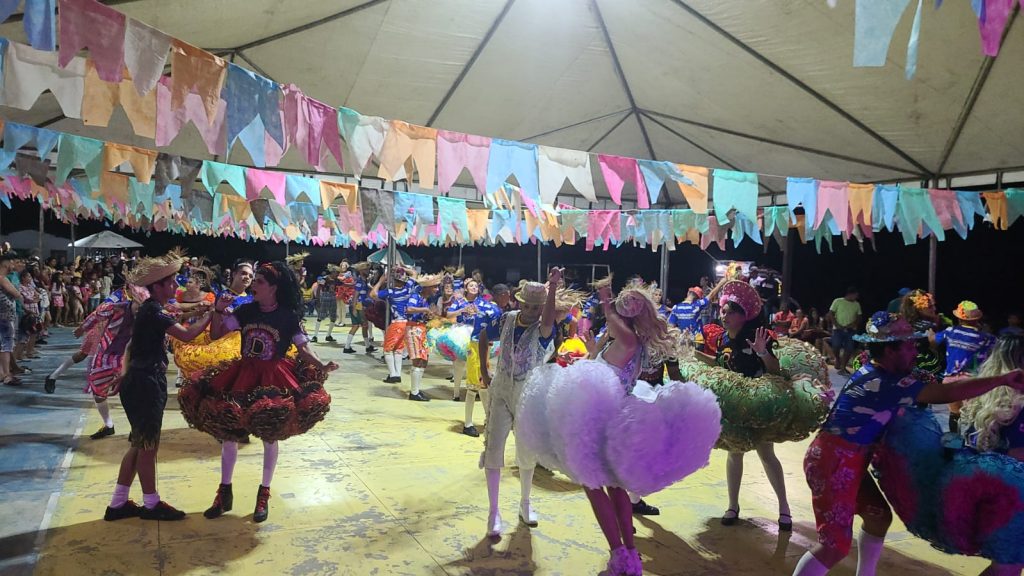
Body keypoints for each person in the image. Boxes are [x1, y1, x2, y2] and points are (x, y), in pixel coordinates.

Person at [792, 312, 1024, 576]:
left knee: (878, 517)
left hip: (848, 459)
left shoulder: (881, 370)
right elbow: (945, 393)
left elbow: (941, 383)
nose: (916, 349)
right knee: (834, 546)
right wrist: (1002, 380)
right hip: (833, 462)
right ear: (890, 351)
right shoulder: (886, 382)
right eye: (909, 345)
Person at [516, 278, 721, 576]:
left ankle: (618, 555)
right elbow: (602, 364)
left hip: (600, 420)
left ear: (621, 315)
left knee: (593, 485)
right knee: (615, 487)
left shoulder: (629, 340)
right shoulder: (627, 342)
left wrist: (605, 301)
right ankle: (629, 555)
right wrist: (585, 353)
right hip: (613, 417)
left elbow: (607, 356)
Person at [186, 261, 336, 524]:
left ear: (274, 288)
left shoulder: (288, 316)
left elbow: (303, 349)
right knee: (229, 433)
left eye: (260, 282)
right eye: (253, 280)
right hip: (242, 375)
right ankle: (224, 493)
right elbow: (217, 334)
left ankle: (263, 493)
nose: (253, 284)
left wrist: (321, 365)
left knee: (270, 432)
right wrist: (219, 312)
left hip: (274, 377)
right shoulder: (247, 310)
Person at [104, 253, 211, 522]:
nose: (176, 285)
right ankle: (151, 504)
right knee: (148, 446)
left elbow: (131, 346)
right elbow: (187, 335)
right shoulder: (154, 310)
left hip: (137, 381)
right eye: (172, 282)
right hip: (146, 384)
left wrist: (124, 373)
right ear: (158, 286)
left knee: (138, 444)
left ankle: (117, 504)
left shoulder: (151, 309)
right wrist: (213, 314)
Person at [696, 280, 791, 531]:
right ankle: (733, 505)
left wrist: (762, 352)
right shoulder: (722, 339)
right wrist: (693, 354)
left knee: (766, 454)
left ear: (742, 315)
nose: (723, 315)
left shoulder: (757, 337)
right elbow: (720, 365)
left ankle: (784, 508)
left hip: (757, 404)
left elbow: (775, 370)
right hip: (734, 405)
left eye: (729, 311)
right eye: (723, 310)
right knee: (734, 453)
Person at [478, 270, 561, 536]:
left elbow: (548, 317)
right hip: (501, 390)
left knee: (527, 451)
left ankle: (525, 503)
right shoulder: (506, 319)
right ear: (519, 303)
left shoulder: (545, 329)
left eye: (537, 307)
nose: (533, 311)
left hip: (527, 393)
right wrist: (484, 368)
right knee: (493, 447)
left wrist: (554, 286)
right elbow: (482, 336)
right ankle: (493, 511)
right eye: (529, 305)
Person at [959, 334, 1024, 576]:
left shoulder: (982, 394)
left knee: (1007, 566)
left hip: (983, 491)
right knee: (1007, 567)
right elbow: (1018, 459)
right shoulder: (1019, 405)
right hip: (1012, 498)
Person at [930, 301, 996, 433]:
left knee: (954, 414)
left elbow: (932, 342)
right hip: (972, 381)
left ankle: (954, 443)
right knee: (973, 416)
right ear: (977, 319)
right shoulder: (987, 338)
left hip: (950, 380)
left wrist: (932, 326)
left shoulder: (950, 331)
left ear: (959, 318)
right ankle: (972, 444)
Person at [372, 267, 419, 389]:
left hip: (396, 323)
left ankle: (393, 374)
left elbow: (373, 294)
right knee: (398, 349)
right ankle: (397, 373)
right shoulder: (408, 287)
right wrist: (401, 268)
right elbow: (414, 273)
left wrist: (381, 280)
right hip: (407, 323)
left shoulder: (391, 292)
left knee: (388, 349)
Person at [343, 262, 376, 354]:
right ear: (361, 271)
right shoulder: (360, 281)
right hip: (359, 305)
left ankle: (350, 346)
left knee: (359, 326)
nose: (368, 271)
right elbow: (355, 296)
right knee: (362, 325)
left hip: (360, 305)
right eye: (366, 269)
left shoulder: (363, 280)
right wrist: (354, 309)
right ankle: (364, 346)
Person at [828, 286, 862, 375]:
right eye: (856, 295)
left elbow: (859, 317)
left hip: (851, 330)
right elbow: (831, 313)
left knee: (849, 348)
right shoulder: (838, 301)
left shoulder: (856, 304)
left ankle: (843, 367)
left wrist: (852, 325)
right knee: (836, 345)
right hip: (838, 329)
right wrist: (836, 324)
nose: (857, 297)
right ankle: (838, 359)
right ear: (850, 294)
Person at [0, 253, 23, 386]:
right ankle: (7, 374)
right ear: (5, 264)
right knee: (6, 345)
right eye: (11, 263)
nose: (13, 266)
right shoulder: (3, 278)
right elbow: (16, 293)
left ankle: (2, 373)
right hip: (5, 316)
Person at [311, 272, 338, 343]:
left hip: (333, 296)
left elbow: (343, 284)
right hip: (325, 296)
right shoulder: (325, 278)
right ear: (333, 272)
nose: (337, 274)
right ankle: (315, 336)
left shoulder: (336, 279)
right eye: (336, 273)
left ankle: (328, 335)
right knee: (320, 316)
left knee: (333, 316)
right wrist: (317, 299)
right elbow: (319, 287)